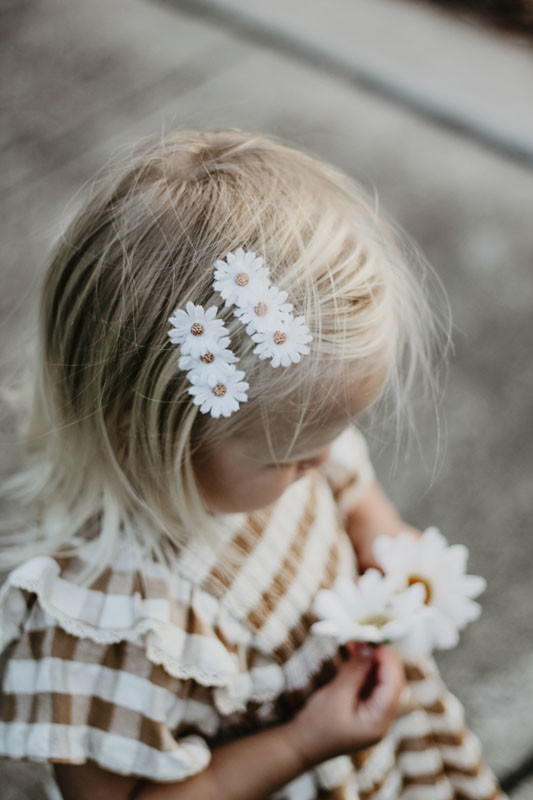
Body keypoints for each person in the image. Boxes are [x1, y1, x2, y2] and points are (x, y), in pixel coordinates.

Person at [0, 130, 505, 799]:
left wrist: (385, 542)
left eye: (336, 432)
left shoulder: (290, 438)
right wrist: (302, 743)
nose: (324, 459)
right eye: (291, 458)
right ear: (145, 437)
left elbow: (351, 492)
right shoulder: (112, 625)